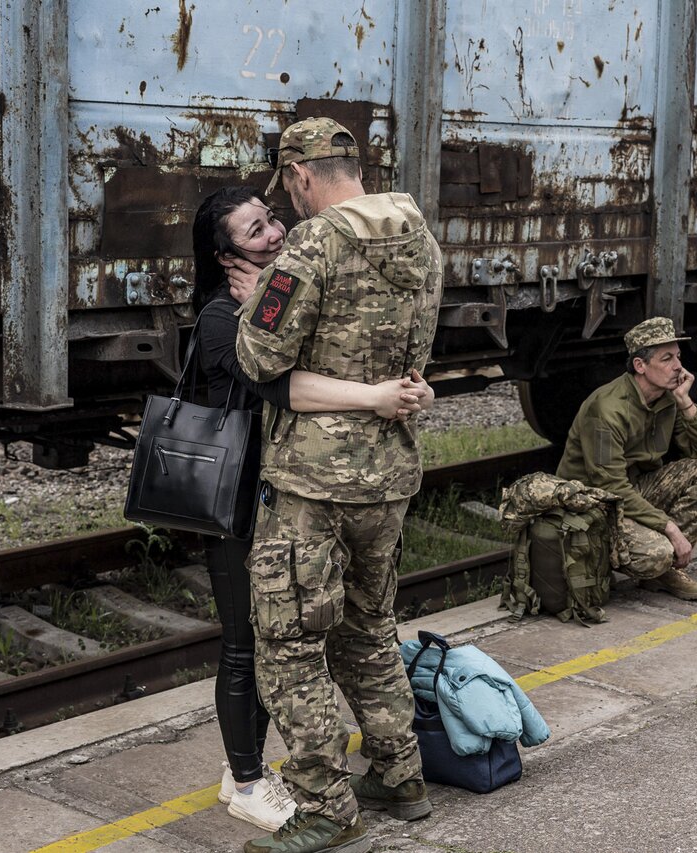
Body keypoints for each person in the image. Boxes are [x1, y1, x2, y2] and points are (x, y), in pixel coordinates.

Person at [190, 185, 431, 834]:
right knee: (246, 644)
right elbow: (281, 384)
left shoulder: (285, 296)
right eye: (253, 231)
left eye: (272, 219)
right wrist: (379, 395)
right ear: (224, 256)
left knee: (282, 634)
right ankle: (244, 780)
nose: (273, 233)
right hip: (238, 500)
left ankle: (245, 763)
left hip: (284, 493)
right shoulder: (221, 318)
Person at [235, 116, 443, 853]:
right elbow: (410, 360)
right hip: (388, 470)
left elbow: (261, 358)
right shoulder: (420, 234)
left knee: (289, 642)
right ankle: (399, 770)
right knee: (368, 625)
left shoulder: (311, 245)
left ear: (299, 175)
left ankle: (326, 802)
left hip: (314, 481)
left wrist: (257, 293)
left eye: (287, 188)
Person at [556, 317, 697, 601]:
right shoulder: (608, 409)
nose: (678, 367)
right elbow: (610, 487)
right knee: (657, 552)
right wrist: (668, 527)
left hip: (631, 491)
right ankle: (643, 561)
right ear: (640, 366)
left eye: (678, 357)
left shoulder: (668, 398)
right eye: (667, 359)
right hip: (593, 505)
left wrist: (686, 403)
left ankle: (666, 572)